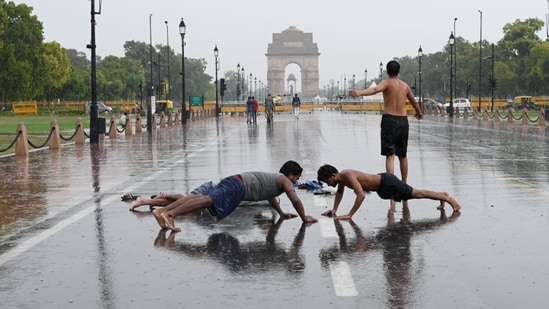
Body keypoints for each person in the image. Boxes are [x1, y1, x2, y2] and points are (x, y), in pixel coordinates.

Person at [151, 160, 318, 232]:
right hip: (239, 185)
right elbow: (295, 199)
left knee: (201, 197)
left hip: (237, 183)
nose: (297, 181)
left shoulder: (276, 182)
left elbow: (269, 196)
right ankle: (169, 214)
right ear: (291, 174)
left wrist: (281, 213)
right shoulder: (285, 181)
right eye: (297, 177)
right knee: (206, 200)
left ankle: (162, 212)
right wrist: (304, 218)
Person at [349, 60, 423, 184]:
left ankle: (391, 183)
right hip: (403, 120)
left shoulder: (387, 83)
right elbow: (413, 101)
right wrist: (419, 112)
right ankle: (404, 183)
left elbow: (374, 90)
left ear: (387, 71)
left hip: (390, 119)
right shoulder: (405, 86)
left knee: (390, 154)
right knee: (403, 155)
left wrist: (359, 93)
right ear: (399, 71)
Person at [316, 164, 461, 220]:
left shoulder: (347, 175)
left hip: (388, 183)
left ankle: (449, 200)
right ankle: (442, 195)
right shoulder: (342, 179)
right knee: (416, 194)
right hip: (383, 187)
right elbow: (340, 194)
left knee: (417, 194)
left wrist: (350, 215)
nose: (328, 184)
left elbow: (360, 195)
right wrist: (334, 210)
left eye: (327, 181)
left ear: (333, 176)